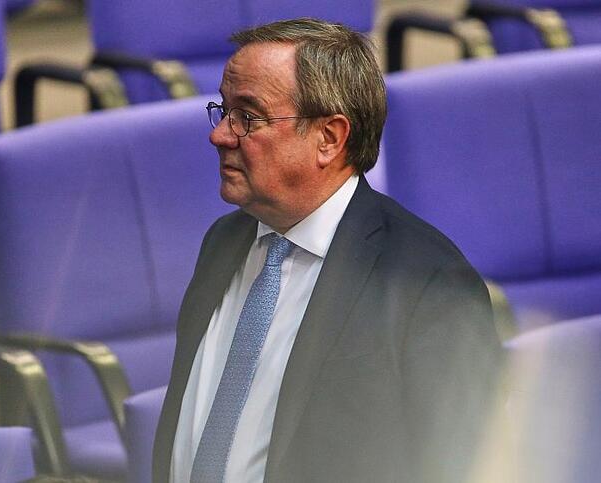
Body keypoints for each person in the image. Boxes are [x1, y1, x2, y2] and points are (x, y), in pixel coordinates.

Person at [153, 18, 502, 483]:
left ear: (329, 138)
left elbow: (463, 466)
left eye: (248, 117)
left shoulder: (428, 285)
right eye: (224, 111)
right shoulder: (224, 242)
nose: (220, 135)